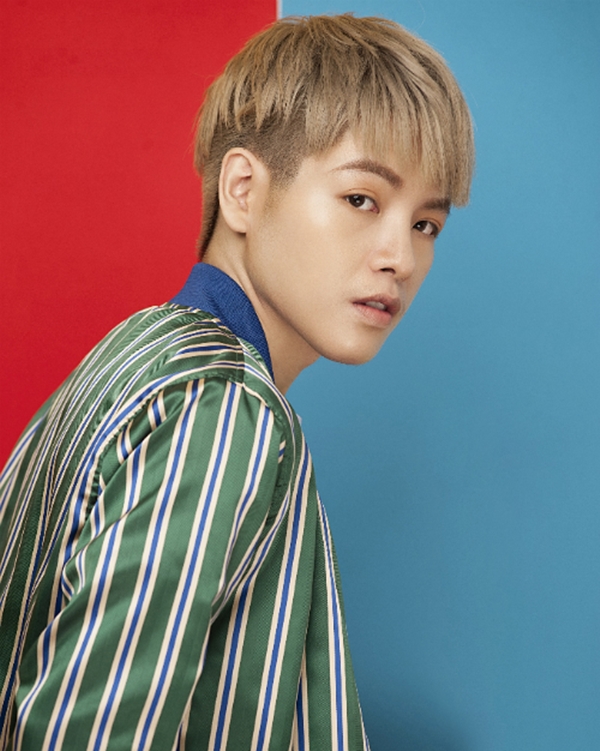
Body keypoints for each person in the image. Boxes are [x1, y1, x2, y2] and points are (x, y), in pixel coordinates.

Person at [0, 13, 474, 750]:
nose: (400, 258)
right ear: (244, 190)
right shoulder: (224, 407)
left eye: (426, 225)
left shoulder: (138, 353)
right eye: (362, 199)